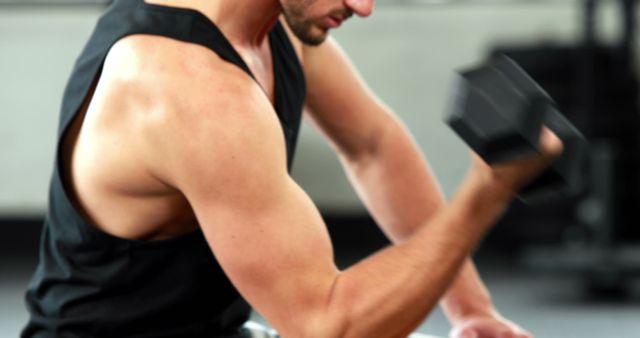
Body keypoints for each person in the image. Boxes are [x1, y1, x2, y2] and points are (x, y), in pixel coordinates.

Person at [22, 0, 563, 337]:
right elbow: (326, 326)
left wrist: (470, 310)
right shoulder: (187, 87)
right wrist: (485, 194)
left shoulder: (270, 28)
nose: (364, 5)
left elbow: (372, 145)